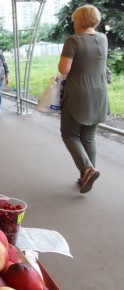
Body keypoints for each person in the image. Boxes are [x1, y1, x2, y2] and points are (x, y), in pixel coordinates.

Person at [58, 4, 109, 193]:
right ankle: (86, 175)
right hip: (100, 94)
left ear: (79, 21)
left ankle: (87, 170)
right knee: (88, 136)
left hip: (78, 95)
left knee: (69, 134)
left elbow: (64, 70)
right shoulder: (103, 39)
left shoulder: (73, 40)